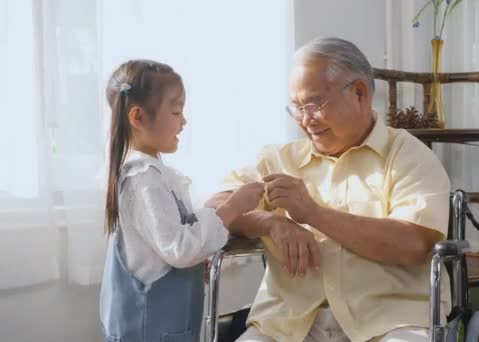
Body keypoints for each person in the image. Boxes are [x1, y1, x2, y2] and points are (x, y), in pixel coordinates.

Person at [208, 37, 452, 342]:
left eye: (314, 104)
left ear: (360, 93)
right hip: (290, 324)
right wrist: (271, 222)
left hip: (391, 322)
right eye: (296, 108)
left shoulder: (407, 156)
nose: (305, 120)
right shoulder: (279, 159)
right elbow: (216, 206)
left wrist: (312, 214)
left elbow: (413, 244)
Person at [99, 59, 264, 341]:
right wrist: (232, 207)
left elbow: (170, 243)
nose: (183, 121)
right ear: (138, 117)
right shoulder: (143, 180)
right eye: (176, 111)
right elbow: (180, 249)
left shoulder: (157, 176)